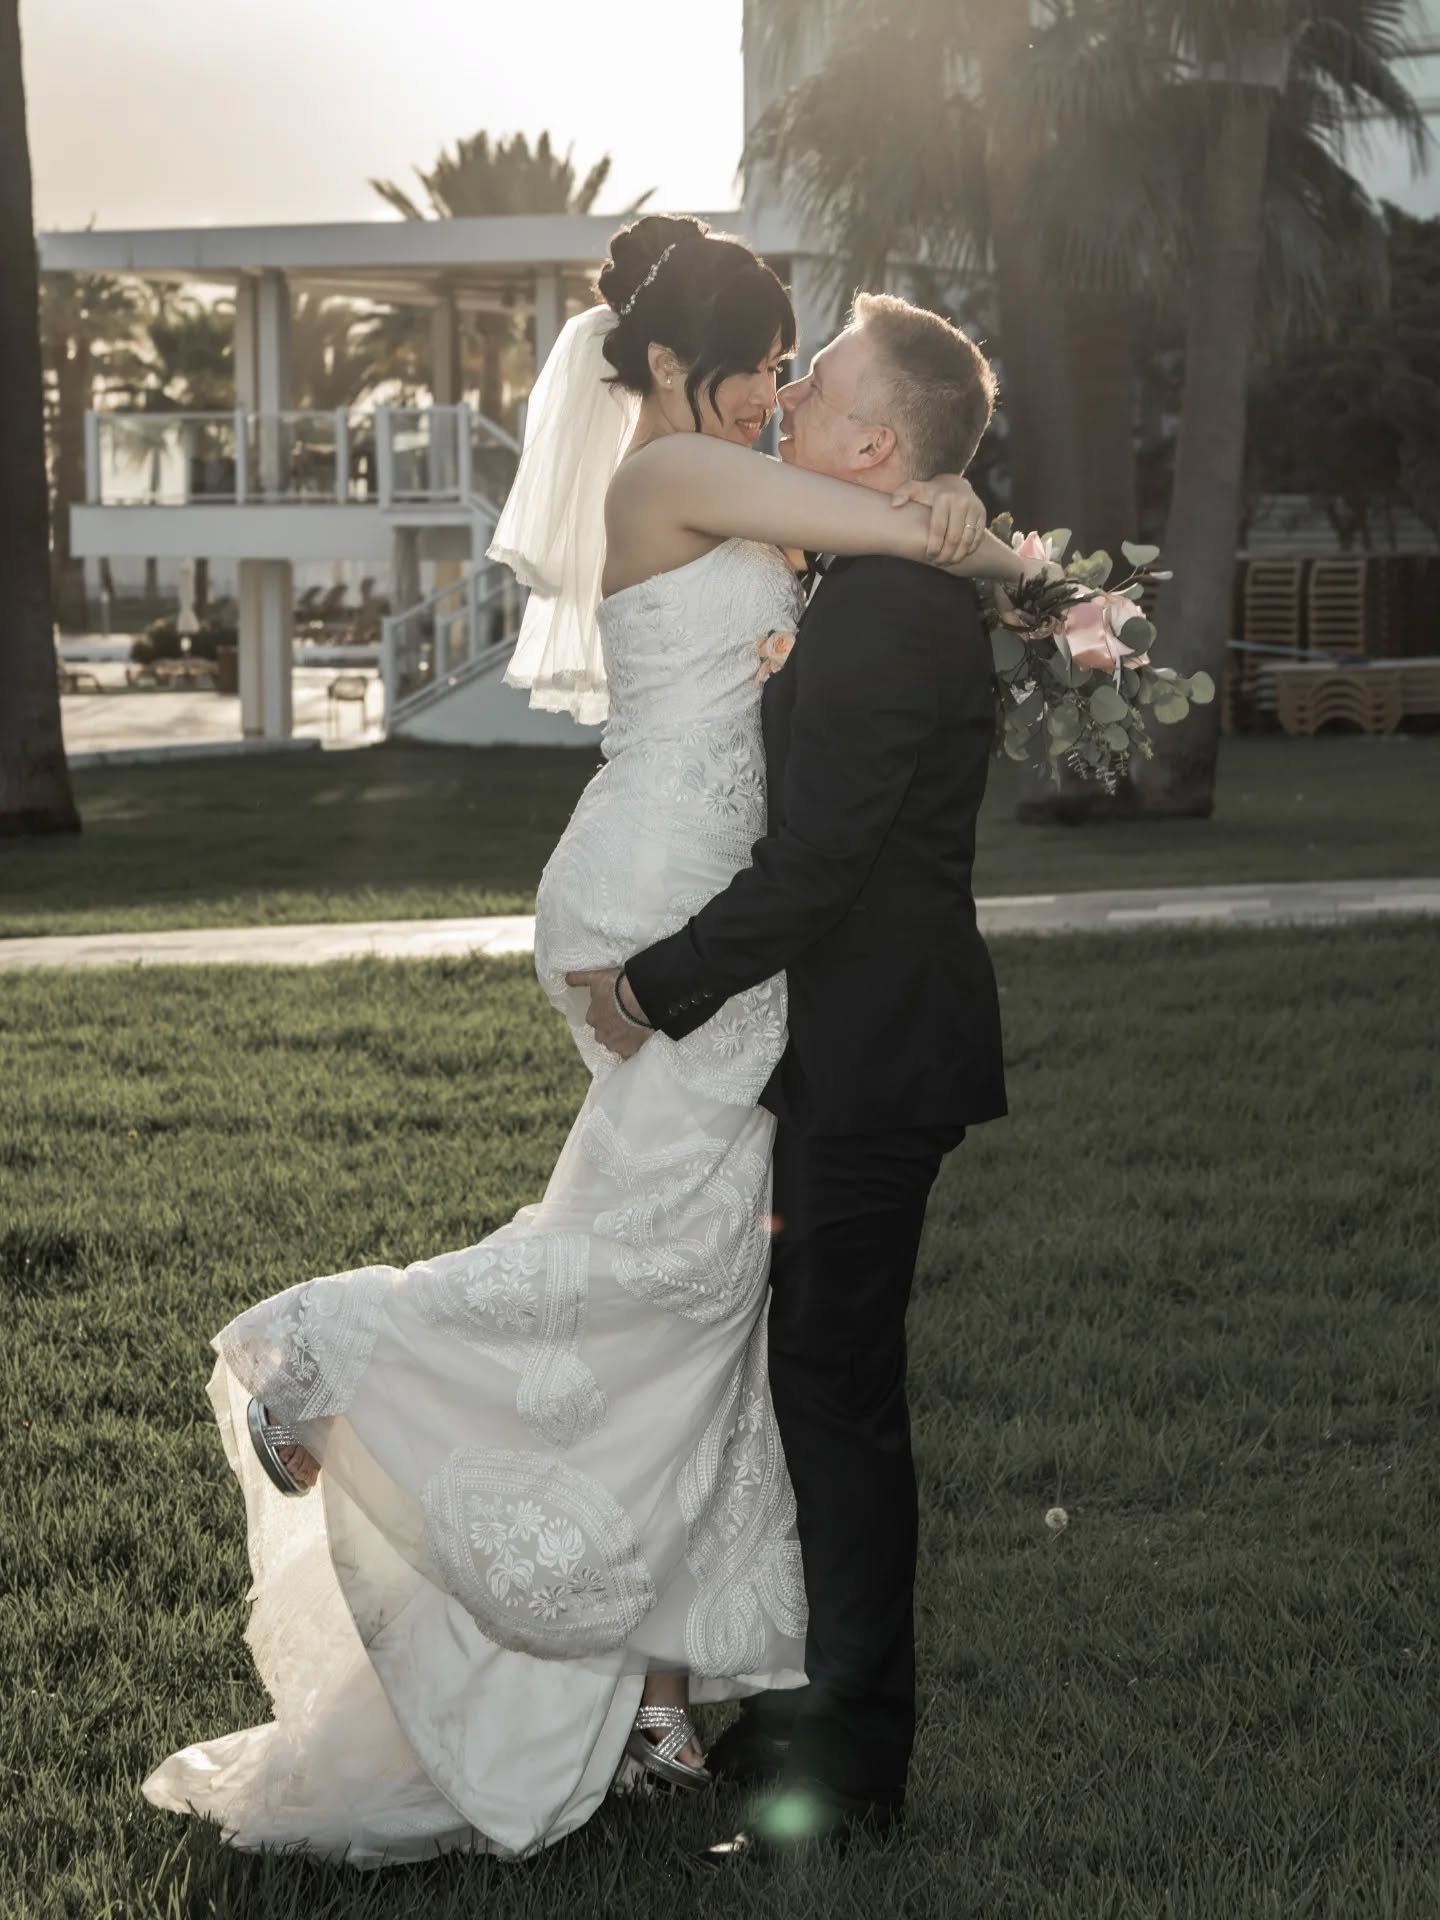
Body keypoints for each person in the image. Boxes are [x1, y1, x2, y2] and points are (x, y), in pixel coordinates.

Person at [141, 214, 1038, 1867]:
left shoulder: (747, 501)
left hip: (704, 905)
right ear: (678, 366)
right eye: (765, 366)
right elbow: (883, 545)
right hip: (671, 904)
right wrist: (991, 544)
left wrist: (956, 541)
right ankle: (325, 1352)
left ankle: (667, 1697)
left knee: (685, 1287)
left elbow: (841, 612)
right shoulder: (681, 474)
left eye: (801, 372)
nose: (778, 394)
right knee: (657, 1275)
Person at [571, 291, 1011, 1863]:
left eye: (816, 381)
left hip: (874, 1054)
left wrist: (656, 986)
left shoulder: (888, 608)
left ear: (875, 444)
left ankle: (853, 1773)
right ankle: (787, 1714)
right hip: (847, 1043)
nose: (789, 396)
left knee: (837, 1404)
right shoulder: (874, 575)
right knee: (810, 1388)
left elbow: (819, 866)